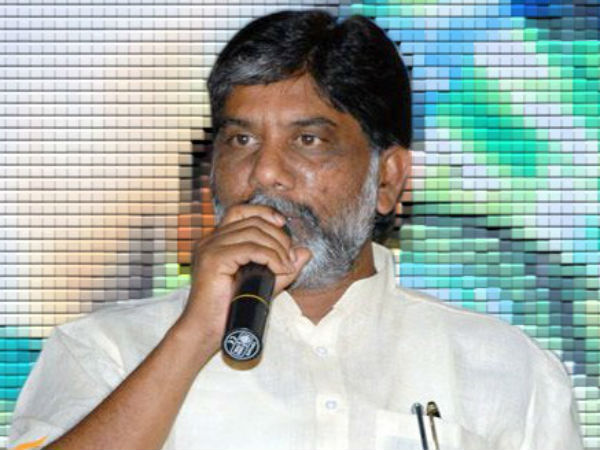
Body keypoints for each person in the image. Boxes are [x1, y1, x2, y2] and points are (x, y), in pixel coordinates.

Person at [9, 9, 583, 450]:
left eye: (308, 140)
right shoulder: (103, 350)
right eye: (241, 140)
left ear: (388, 178)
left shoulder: (508, 369)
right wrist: (193, 336)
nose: (264, 173)